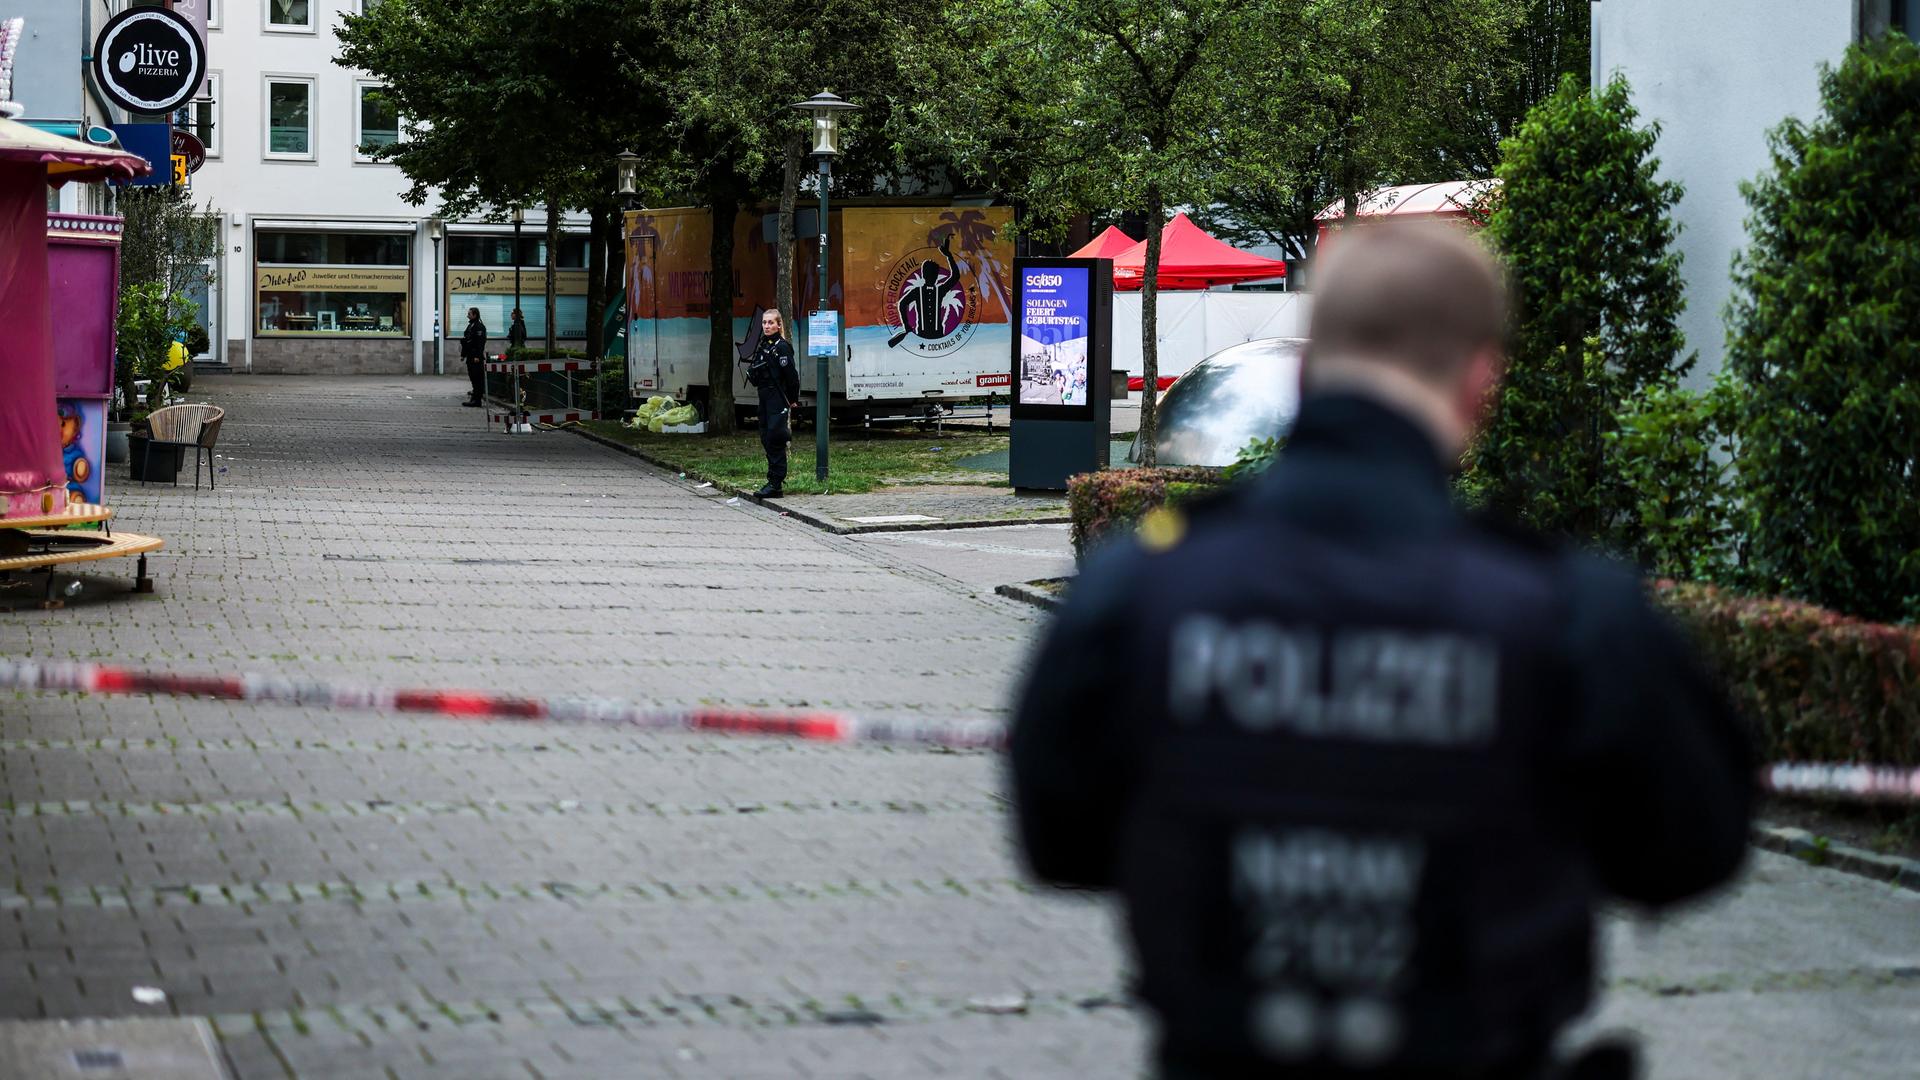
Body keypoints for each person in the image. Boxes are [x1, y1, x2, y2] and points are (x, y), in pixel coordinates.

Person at [1009, 224, 1753, 1080]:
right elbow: (1693, 846)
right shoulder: (1566, 610)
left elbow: (1055, 836)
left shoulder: (1138, 588)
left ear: (1304, 366)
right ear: (1480, 381)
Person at [744, 308, 800, 498]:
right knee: (766, 437)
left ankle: (776, 483)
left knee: (775, 438)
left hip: (777, 396)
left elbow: (791, 376)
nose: (767, 326)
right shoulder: (764, 346)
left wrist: (793, 399)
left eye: (770, 323)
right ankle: (772, 480)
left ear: (778, 325)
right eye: (764, 323)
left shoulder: (781, 347)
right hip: (764, 397)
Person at [460, 307, 489, 407]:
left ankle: (477, 400)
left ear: (475, 315)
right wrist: (463, 355)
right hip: (470, 355)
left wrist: (477, 355)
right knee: (473, 378)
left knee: (477, 378)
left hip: (475, 357)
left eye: (469, 314)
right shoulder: (471, 326)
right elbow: (466, 341)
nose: (467, 315)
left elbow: (480, 342)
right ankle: (474, 398)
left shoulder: (479, 327)